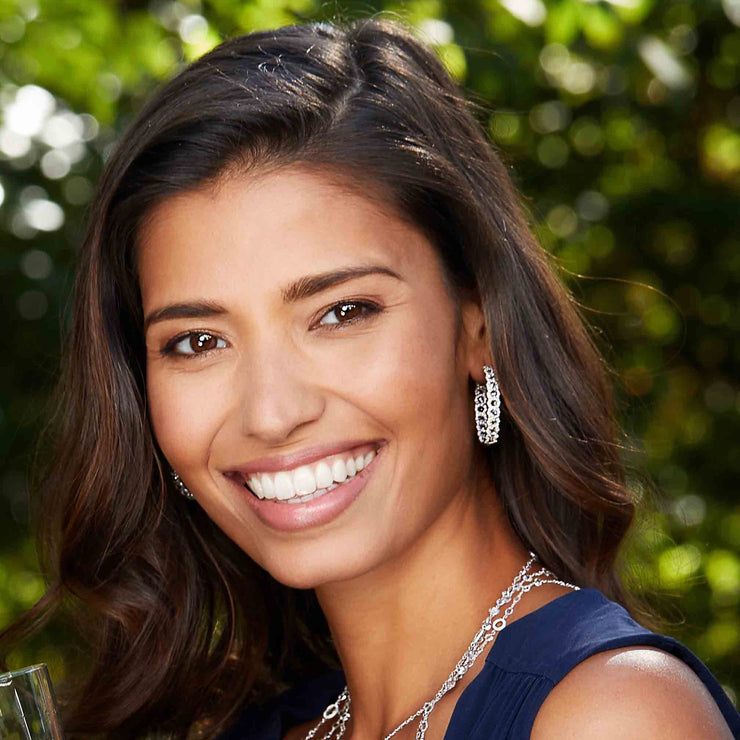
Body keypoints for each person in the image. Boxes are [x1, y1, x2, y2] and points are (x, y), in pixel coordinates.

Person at [2, 18, 738, 740]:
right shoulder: (272, 727)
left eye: (341, 312)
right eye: (198, 341)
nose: (271, 411)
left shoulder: (614, 716)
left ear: (478, 327)